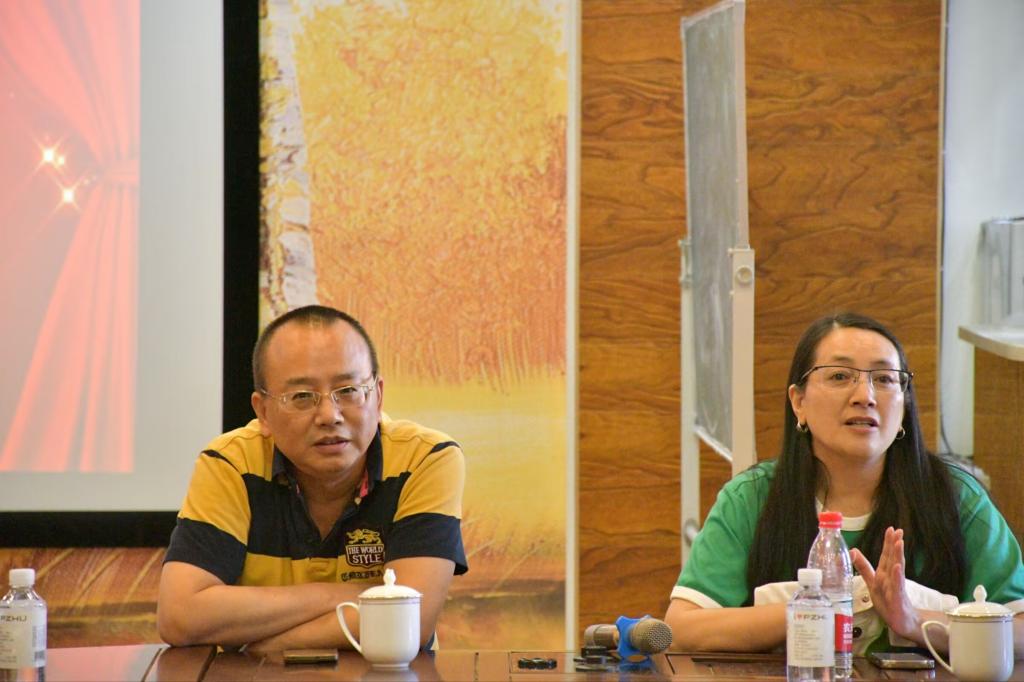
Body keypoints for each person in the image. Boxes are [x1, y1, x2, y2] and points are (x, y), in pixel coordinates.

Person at [665, 312, 1024, 654]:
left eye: (884, 379)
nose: (865, 396)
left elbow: (1020, 630)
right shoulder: (753, 497)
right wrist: (819, 608)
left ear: (904, 406)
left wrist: (912, 620)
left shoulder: (955, 497)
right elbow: (683, 628)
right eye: (839, 376)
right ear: (799, 402)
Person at [157, 305, 467, 652]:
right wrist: (342, 595)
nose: (329, 415)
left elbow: (408, 621)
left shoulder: (424, 459)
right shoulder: (231, 463)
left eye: (348, 390)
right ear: (263, 412)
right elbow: (179, 617)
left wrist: (260, 645)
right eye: (302, 396)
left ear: (378, 396)